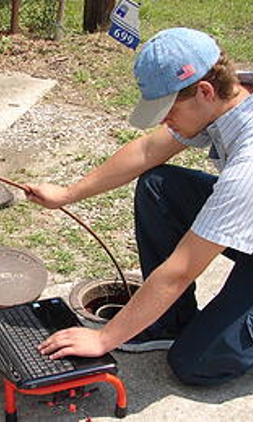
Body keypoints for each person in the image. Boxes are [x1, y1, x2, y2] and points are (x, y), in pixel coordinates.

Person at [26, 27, 253, 386]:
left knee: (196, 362)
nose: (163, 120)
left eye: (166, 109)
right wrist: (67, 194)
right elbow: (147, 151)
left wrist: (104, 338)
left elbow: (180, 271)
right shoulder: (231, 96)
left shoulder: (247, 169)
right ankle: (170, 322)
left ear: (205, 91)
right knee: (158, 187)